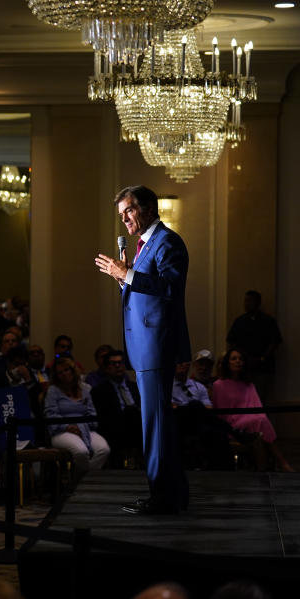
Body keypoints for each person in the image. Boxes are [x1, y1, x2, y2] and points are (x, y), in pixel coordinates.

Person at [95, 184, 190, 514]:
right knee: (155, 422)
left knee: (157, 423)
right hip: (145, 347)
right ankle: (169, 494)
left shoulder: (168, 242)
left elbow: (169, 288)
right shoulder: (144, 246)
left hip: (156, 346)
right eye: (121, 215)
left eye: (129, 211)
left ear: (149, 208)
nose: (124, 219)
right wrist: (125, 279)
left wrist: (128, 273)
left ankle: (163, 498)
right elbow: (145, 291)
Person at [213, 349, 293, 472]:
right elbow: (221, 413)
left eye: (240, 359)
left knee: (260, 424)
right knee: (260, 421)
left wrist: (253, 418)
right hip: (232, 425)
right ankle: (282, 463)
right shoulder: (219, 385)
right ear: (227, 363)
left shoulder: (248, 384)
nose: (238, 361)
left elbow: (257, 407)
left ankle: (264, 469)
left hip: (251, 420)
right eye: (234, 359)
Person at [44, 357, 110, 477]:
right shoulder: (53, 390)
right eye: (60, 372)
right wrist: (68, 426)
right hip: (61, 430)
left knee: (103, 449)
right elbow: (51, 415)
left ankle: (86, 479)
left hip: (85, 427)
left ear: (73, 371)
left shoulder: (84, 389)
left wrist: (85, 426)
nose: (64, 374)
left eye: (66, 370)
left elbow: (91, 413)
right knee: (81, 451)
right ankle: (84, 481)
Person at [226, 290, 283, 403]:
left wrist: (263, 358)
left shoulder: (268, 321)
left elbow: (275, 341)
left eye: (250, 301)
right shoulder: (240, 321)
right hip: (243, 367)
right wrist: (242, 357)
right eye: (245, 301)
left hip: (263, 368)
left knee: (259, 400)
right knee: (242, 399)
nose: (246, 304)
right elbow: (231, 341)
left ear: (258, 302)